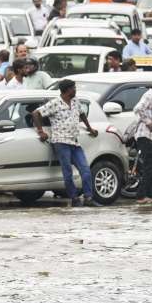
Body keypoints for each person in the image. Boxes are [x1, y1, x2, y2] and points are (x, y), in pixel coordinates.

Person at [32, 79, 99, 207]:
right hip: (61, 142)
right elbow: (36, 113)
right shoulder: (55, 103)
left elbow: (82, 114)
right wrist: (40, 131)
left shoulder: (75, 101)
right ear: (67, 90)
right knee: (67, 172)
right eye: (74, 88)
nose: (75, 90)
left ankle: (88, 197)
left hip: (74, 142)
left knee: (85, 170)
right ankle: (74, 198)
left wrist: (89, 128)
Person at [129, 79, 152, 203]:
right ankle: (141, 195)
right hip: (145, 135)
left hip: (150, 136)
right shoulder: (150, 95)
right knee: (148, 166)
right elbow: (138, 109)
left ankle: (149, 196)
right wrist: (148, 122)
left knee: (151, 166)